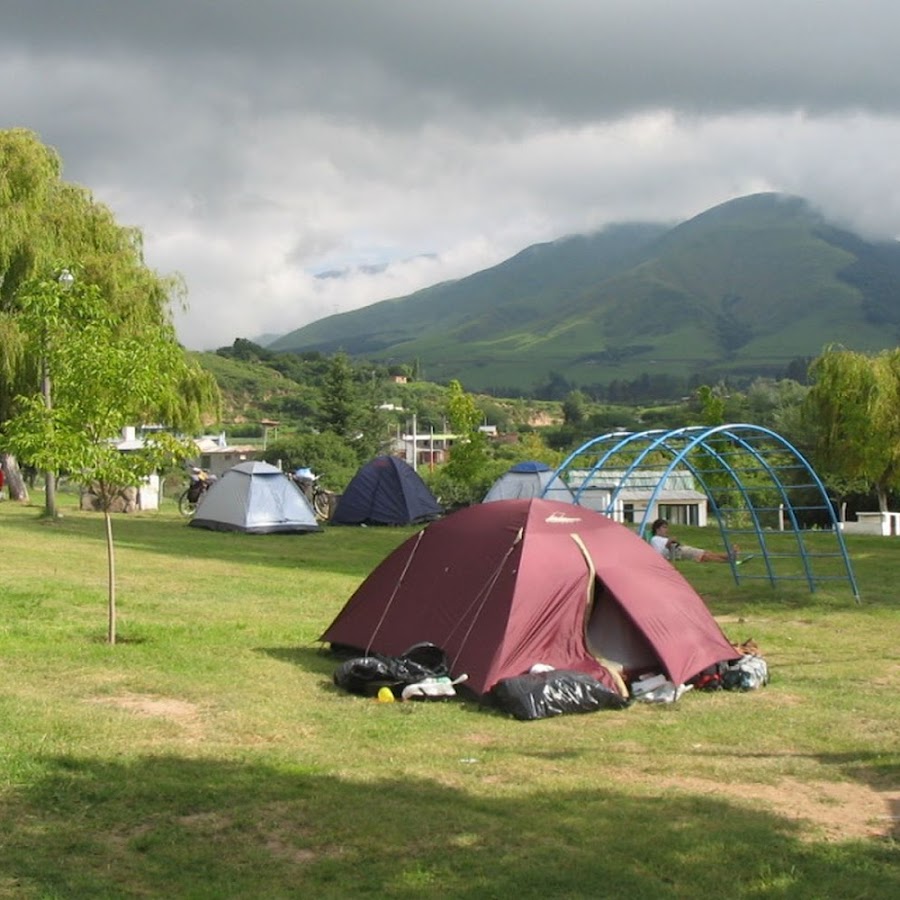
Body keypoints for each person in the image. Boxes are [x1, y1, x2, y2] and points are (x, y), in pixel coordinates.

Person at [650, 518, 738, 564]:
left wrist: (673, 542)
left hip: (679, 549)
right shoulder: (655, 539)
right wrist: (669, 542)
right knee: (702, 555)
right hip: (676, 553)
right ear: (657, 529)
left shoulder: (664, 538)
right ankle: (726, 560)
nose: (667, 530)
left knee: (705, 552)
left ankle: (728, 556)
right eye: (664, 527)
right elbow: (660, 555)